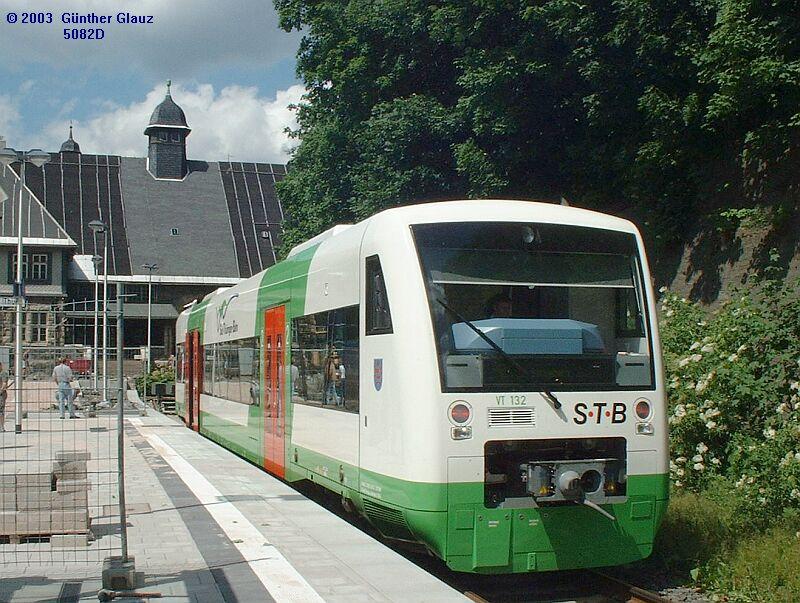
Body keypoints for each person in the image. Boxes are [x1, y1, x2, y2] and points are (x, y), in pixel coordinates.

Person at [0, 362, 8, 432]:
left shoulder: (3, 373)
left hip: (1, 394)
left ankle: (1, 426)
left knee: (1, 411)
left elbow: (4, 384)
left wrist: (1, 391)